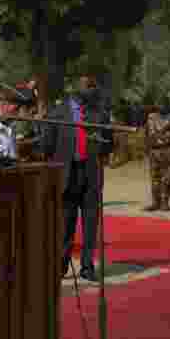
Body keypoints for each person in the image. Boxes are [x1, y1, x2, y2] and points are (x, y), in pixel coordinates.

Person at [42, 75, 114, 282]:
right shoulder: (57, 112)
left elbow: (109, 143)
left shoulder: (99, 113)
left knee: (90, 223)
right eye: (87, 86)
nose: (91, 90)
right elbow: (47, 145)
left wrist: (102, 147)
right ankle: (61, 264)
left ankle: (87, 266)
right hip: (68, 173)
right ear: (76, 89)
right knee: (66, 222)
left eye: (93, 86)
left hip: (91, 173)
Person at [143, 98, 170, 211]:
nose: (161, 107)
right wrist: (147, 148)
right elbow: (146, 134)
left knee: (167, 177)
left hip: (168, 150)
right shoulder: (150, 117)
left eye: (164, 104)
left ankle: (165, 202)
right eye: (159, 104)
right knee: (154, 176)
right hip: (154, 150)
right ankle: (155, 202)